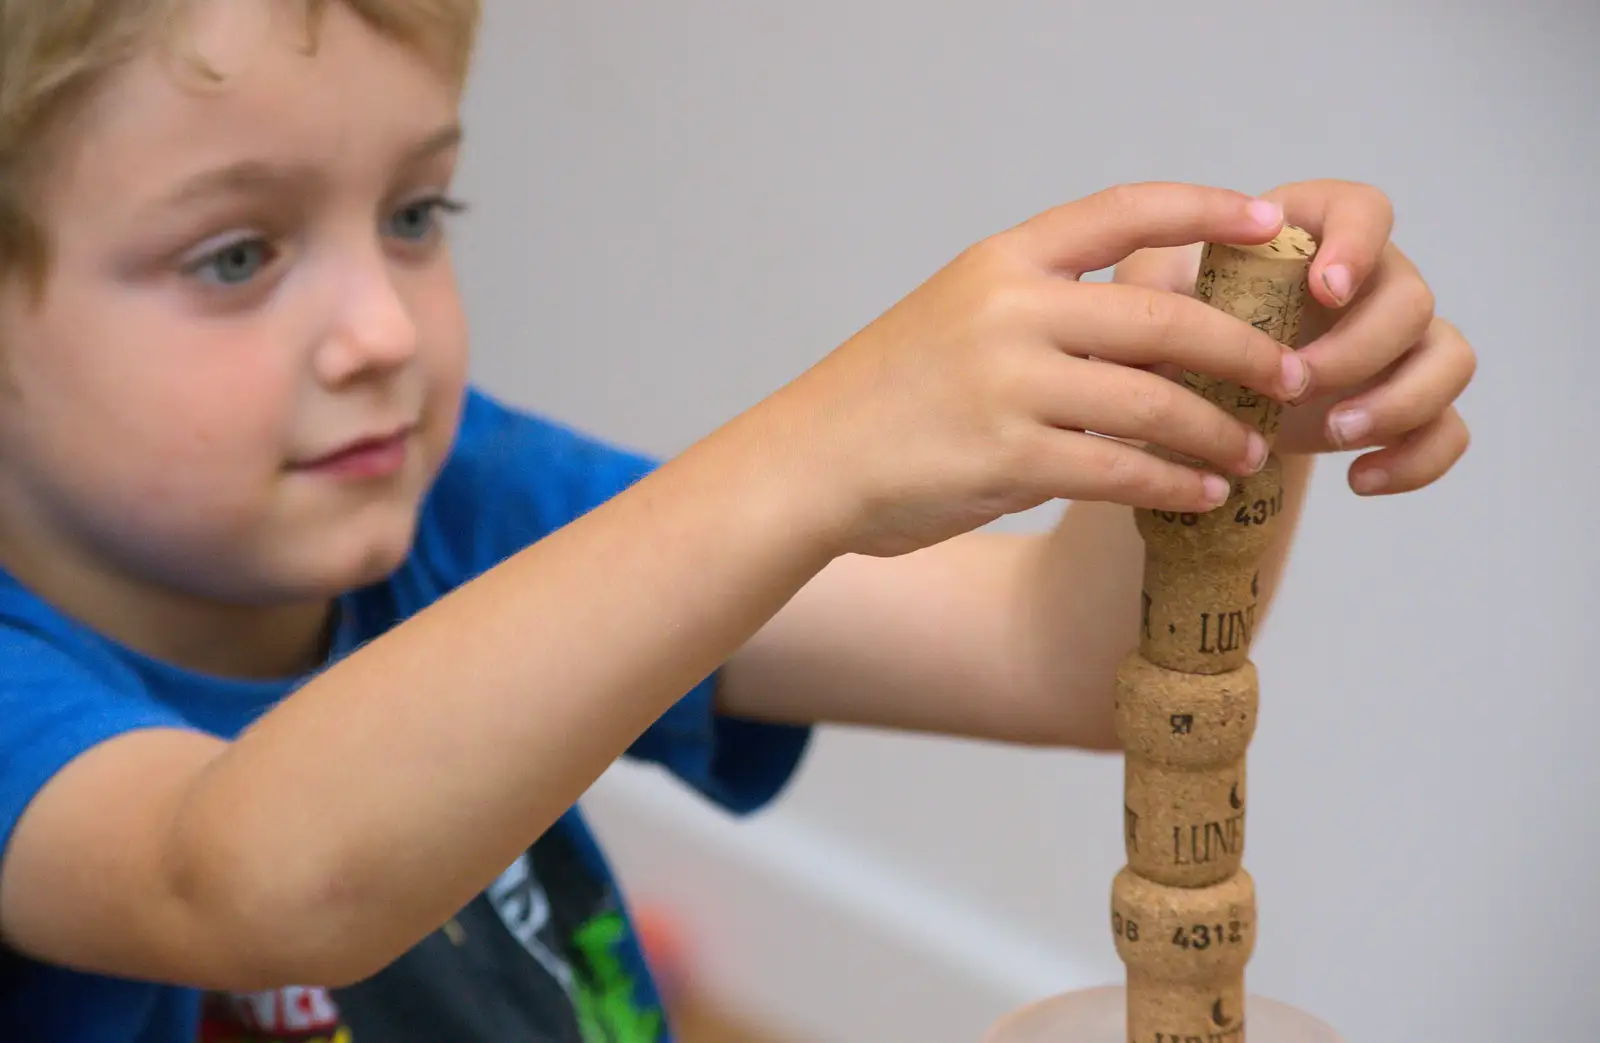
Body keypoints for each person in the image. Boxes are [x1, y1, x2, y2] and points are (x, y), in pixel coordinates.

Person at [0, 2, 1476, 1041]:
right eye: (238, 253)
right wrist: (814, 452)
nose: (381, 329)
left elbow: (1057, 657)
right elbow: (244, 879)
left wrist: (1237, 390)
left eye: (415, 215)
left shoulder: (461, 499)